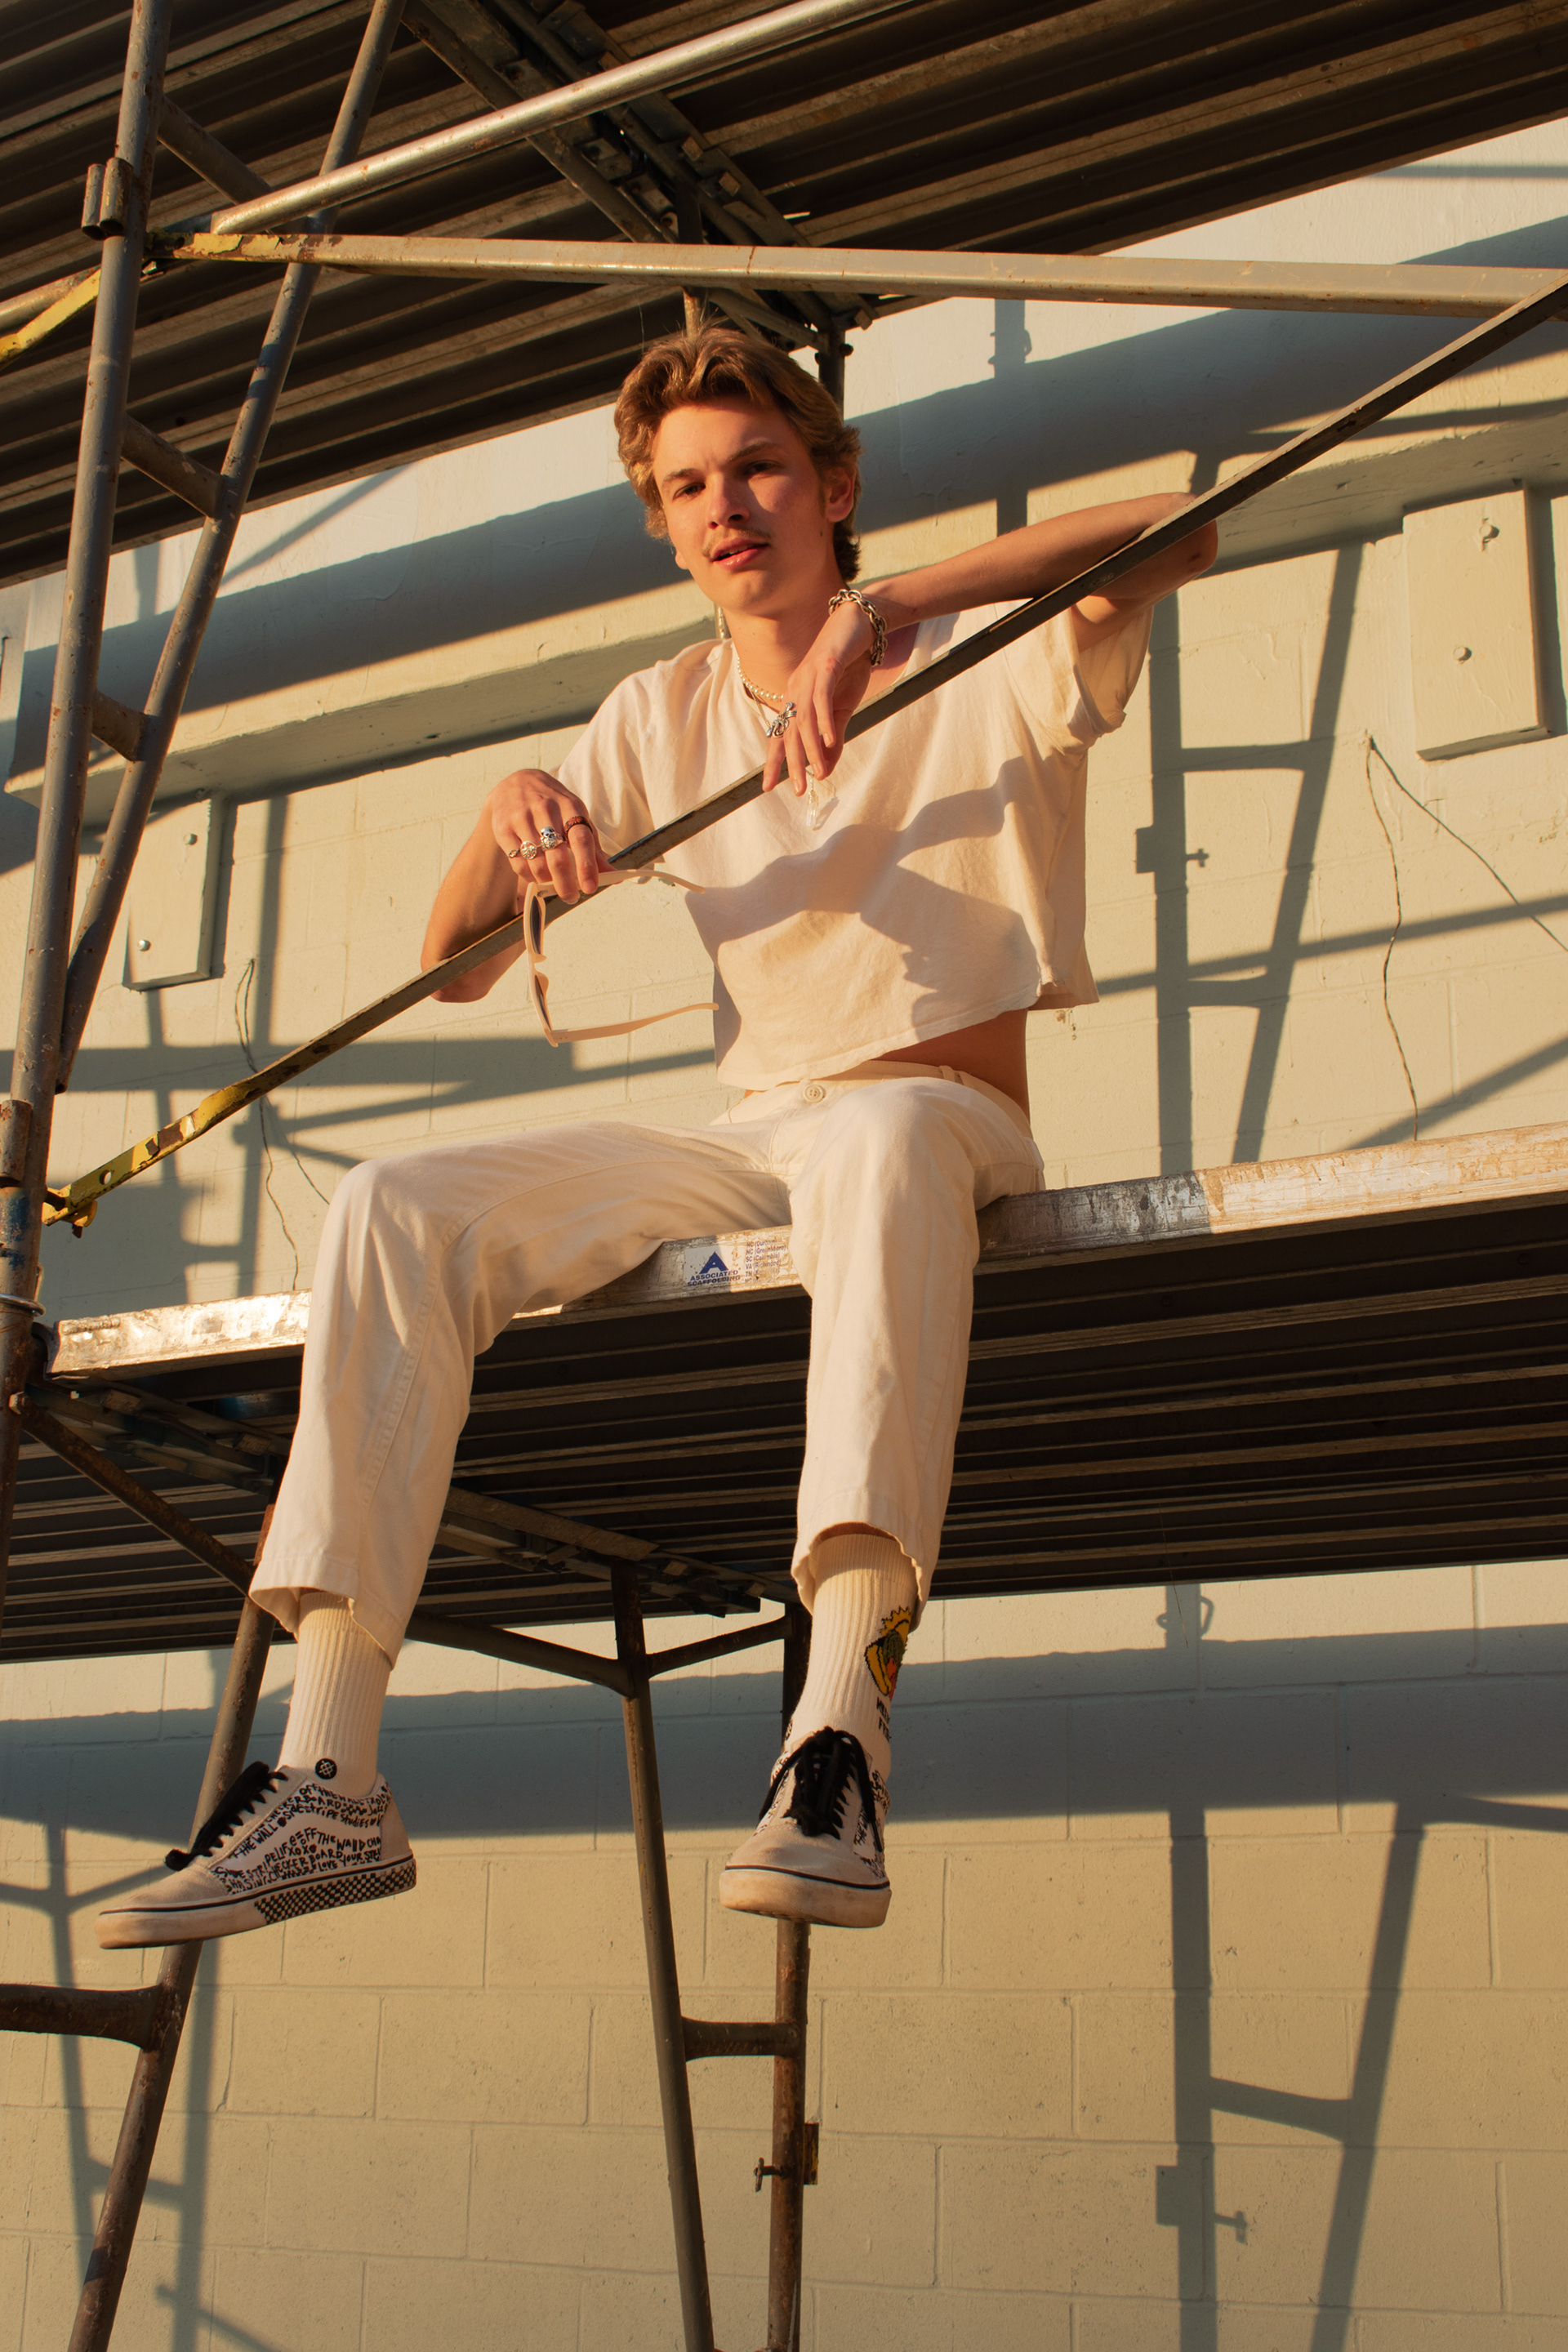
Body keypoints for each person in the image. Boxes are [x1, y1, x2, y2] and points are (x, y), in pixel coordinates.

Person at [97, 326, 1215, 1951]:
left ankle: (841, 1738)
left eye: (758, 468)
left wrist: (885, 615)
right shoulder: (661, 710)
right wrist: (511, 804)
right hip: (760, 1132)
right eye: (686, 487)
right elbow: (460, 965)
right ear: (663, 523)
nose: (724, 507)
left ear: (835, 486)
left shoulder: (981, 641)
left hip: (935, 1110)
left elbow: (1180, 528)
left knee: (882, 1144)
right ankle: (329, 1773)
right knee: (394, 1202)